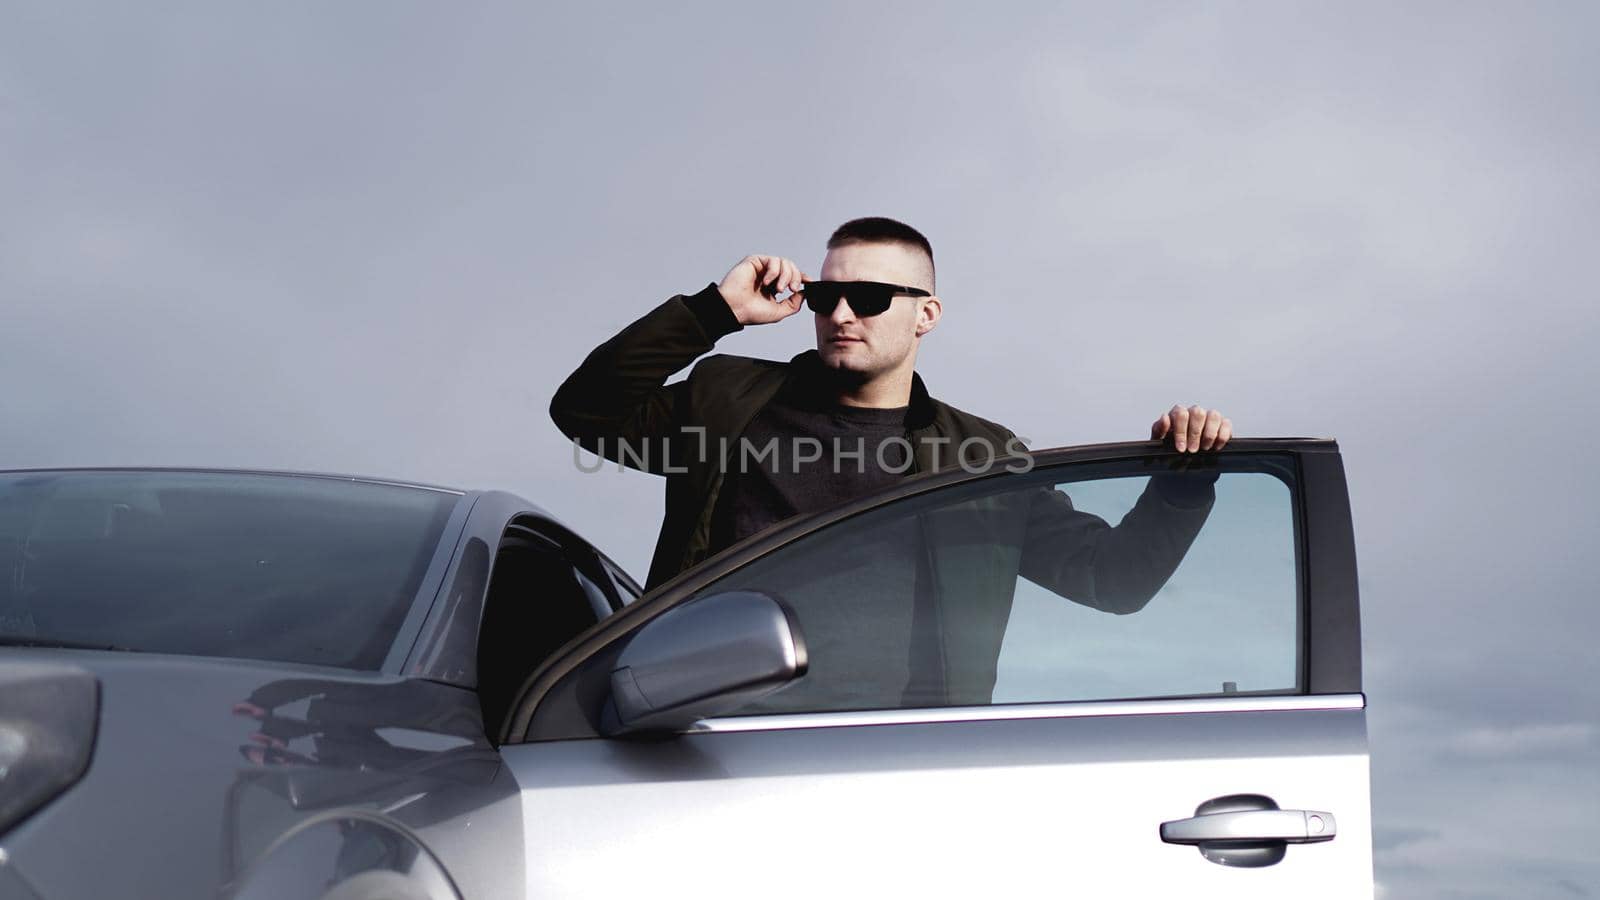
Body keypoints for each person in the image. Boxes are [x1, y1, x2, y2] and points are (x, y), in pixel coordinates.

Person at [550, 217, 1233, 706]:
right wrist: (713, 311)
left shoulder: (984, 458)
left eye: (871, 298)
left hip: (893, 753)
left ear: (926, 314)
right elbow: (586, 412)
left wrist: (1183, 482)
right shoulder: (726, 398)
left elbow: (1111, 580)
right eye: (824, 296)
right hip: (705, 734)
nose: (842, 313)